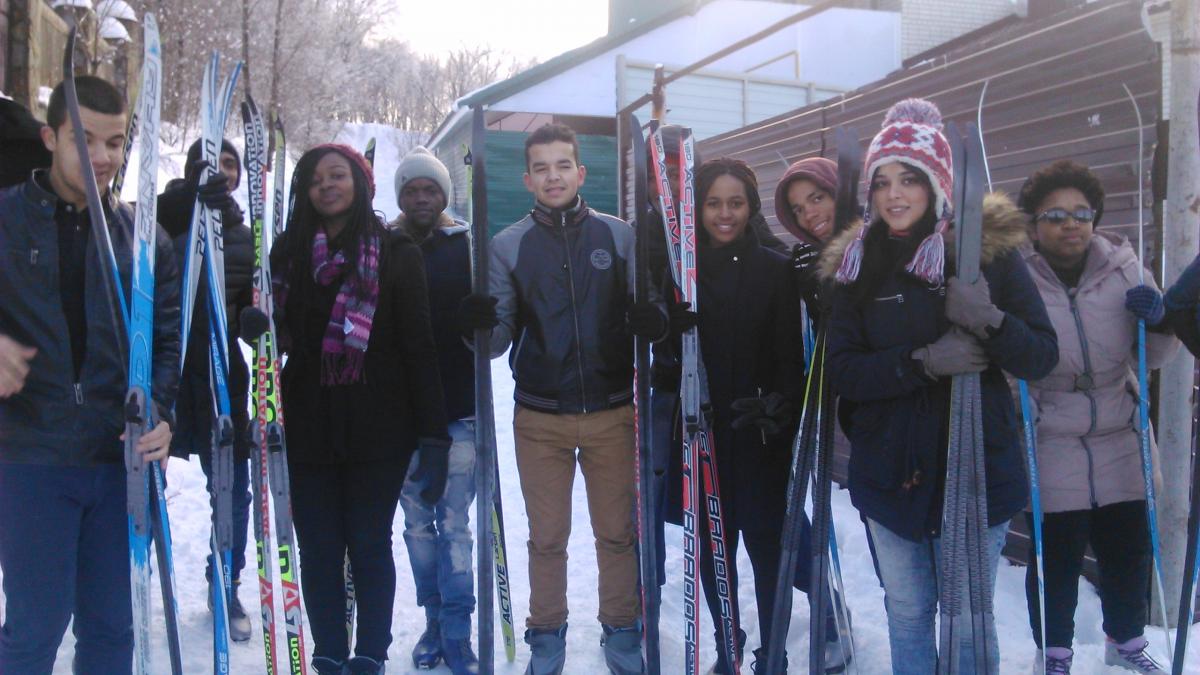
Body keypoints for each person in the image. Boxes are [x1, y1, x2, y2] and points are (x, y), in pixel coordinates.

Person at [820, 98, 1058, 674]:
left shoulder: (988, 257)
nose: (893, 194)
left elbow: (1041, 357)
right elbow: (842, 371)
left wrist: (989, 320)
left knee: (970, 617)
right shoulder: (855, 265)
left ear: (937, 184)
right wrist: (921, 361)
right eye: (881, 182)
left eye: (910, 179)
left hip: (976, 470)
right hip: (888, 472)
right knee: (907, 612)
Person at [457, 122, 666, 675]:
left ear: (581, 172)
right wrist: (474, 323)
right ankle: (545, 635)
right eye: (542, 168)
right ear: (527, 179)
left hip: (613, 411)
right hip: (541, 418)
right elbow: (496, 342)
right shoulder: (508, 245)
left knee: (617, 534)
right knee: (547, 538)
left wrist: (654, 319)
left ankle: (621, 627)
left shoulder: (619, 237)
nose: (554, 176)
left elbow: (648, 313)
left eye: (563, 165)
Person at [0, 75, 180, 672]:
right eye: (87, 140)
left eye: (116, 141)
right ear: (51, 137)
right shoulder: (4, 221)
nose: (105, 156)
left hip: (118, 461)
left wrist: (162, 412)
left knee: (112, 631)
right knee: (34, 630)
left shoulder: (144, 238)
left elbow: (166, 341)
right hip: (31, 454)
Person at [271, 143, 451, 675]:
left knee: (369, 542)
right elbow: (271, 329)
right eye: (316, 179)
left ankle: (370, 651)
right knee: (320, 546)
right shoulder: (287, 253)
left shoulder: (396, 252)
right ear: (304, 191)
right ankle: (327, 648)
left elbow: (420, 346)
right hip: (306, 420)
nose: (327, 185)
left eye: (338, 175)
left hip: (379, 424)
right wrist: (252, 322)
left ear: (360, 182)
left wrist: (433, 436)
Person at [1017, 159, 1178, 674]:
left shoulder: (1126, 268)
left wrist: (1158, 321)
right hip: (1051, 434)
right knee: (1054, 561)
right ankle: (1056, 653)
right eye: (1055, 214)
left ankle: (1126, 642)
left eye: (1082, 213)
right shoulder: (1018, 279)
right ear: (1034, 225)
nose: (1071, 224)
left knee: (1127, 552)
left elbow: (1151, 357)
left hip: (1119, 432)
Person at [657, 156, 806, 674]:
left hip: (760, 436)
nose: (725, 213)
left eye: (736, 203)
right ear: (698, 209)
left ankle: (775, 650)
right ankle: (728, 641)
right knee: (710, 549)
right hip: (703, 435)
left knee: (767, 552)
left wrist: (781, 405)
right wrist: (666, 332)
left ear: (751, 206)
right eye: (714, 203)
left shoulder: (776, 268)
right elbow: (662, 370)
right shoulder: (680, 274)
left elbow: (793, 356)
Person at [159, 136, 256, 642]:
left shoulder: (244, 234)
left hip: (222, 379)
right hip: (166, 378)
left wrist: (256, 322)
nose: (221, 172)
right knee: (140, 483)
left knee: (231, 492)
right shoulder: (166, 213)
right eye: (210, 164)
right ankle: (123, 581)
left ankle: (226, 583)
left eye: (229, 164)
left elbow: (243, 314)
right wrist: (184, 202)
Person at [391, 146, 480, 674]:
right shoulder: (386, 244)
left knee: (456, 523)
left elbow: (498, 309)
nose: (422, 197)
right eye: (412, 189)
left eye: (431, 189)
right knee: (419, 525)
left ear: (445, 194)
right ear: (400, 196)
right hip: (401, 413)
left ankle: (458, 629)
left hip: (458, 405)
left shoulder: (465, 245)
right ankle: (432, 620)